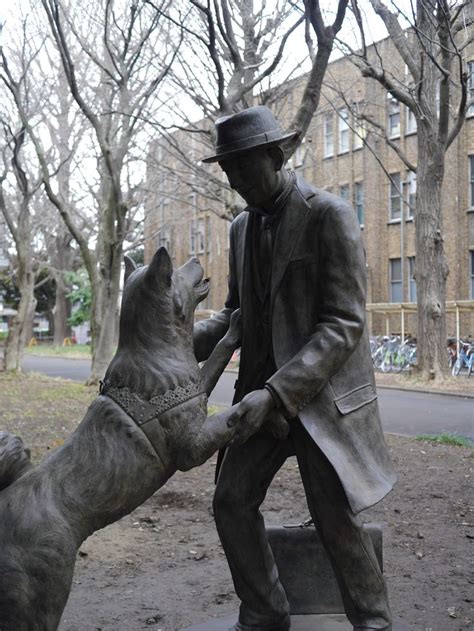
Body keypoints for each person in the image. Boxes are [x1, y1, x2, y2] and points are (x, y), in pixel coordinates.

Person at [194, 105, 397, 631]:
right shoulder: (240, 228)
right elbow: (237, 313)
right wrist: (176, 341)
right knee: (231, 503)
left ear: (277, 154)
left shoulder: (329, 214)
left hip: (318, 402)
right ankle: (265, 611)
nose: (236, 180)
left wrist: (280, 392)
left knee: (336, 521)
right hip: (259, 399)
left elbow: (344, 324)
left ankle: (373, 621)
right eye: (228, 170)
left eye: (244, 166)